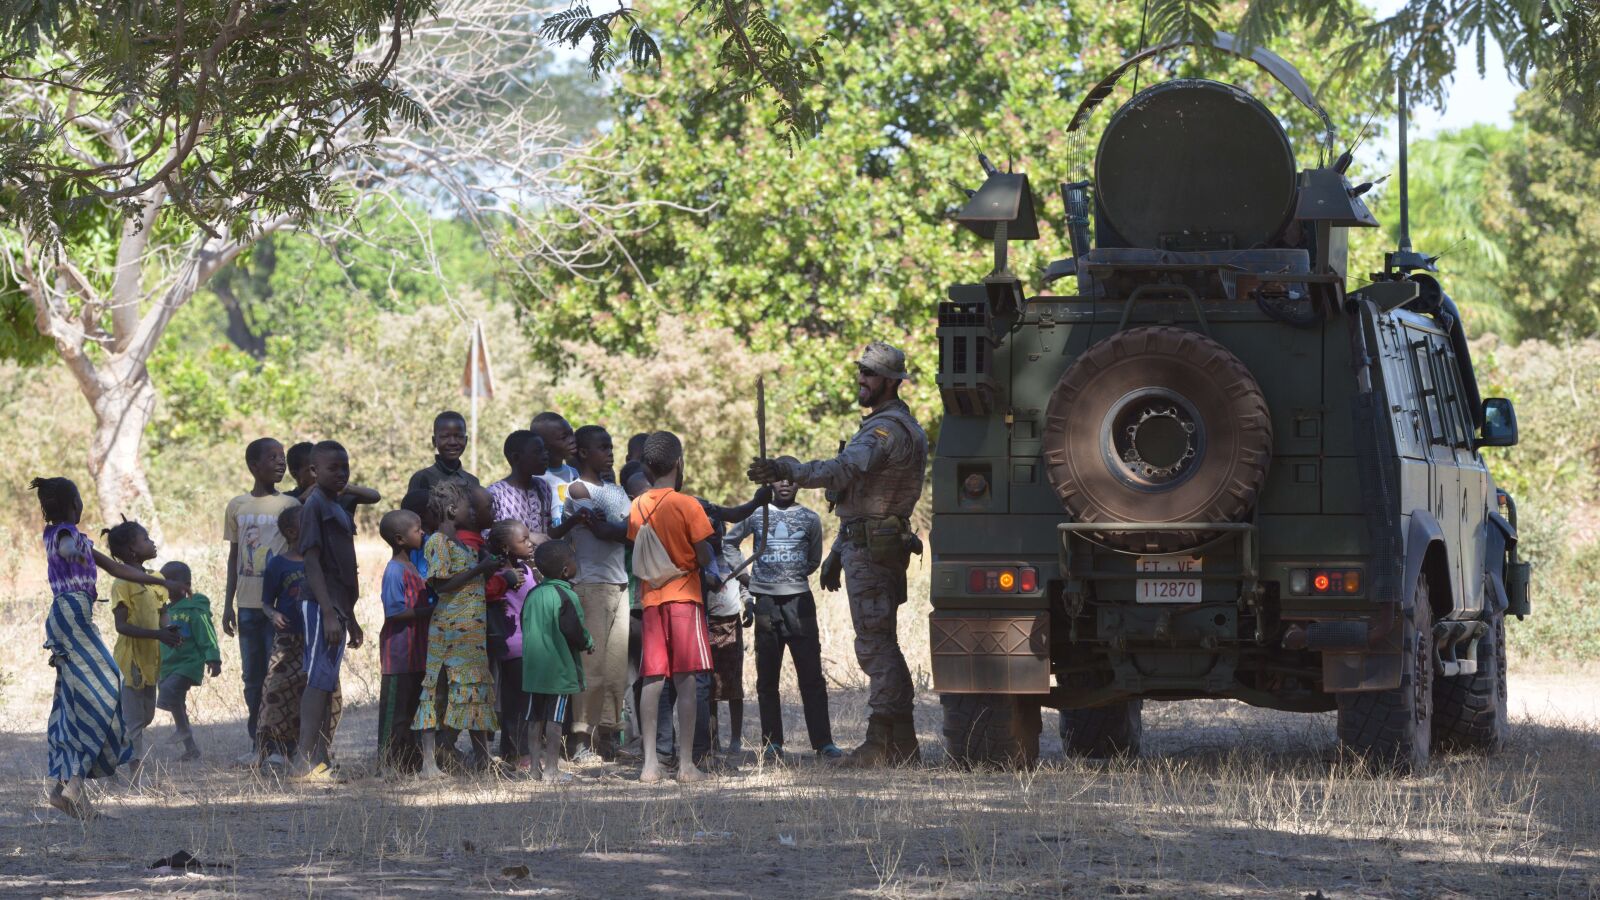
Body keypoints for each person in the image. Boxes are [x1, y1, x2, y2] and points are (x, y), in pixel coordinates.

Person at [747, 342, 928, 767]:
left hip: (874, 549)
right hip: (869, 543)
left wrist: (788, 470)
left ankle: (881, 743)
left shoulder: (886, 430)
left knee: (875, 646)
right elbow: (863, 497)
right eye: (860, 371)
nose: (861, 379)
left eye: (870, 373)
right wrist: (837, 551)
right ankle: (901, 744)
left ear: (891, 382)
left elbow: (843, 470)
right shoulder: (896, 425)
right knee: (881, 642)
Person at [31, 478, 176, 819]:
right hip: (72, 615)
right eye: (80, 499)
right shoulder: (64, 533)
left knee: (75, 700)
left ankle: (68, 788)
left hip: (72, 616)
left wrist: (159, 580)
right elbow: (67, 545)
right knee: (107, 687)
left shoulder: (75, 538)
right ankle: (72, 783)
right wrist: (72, 548)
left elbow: (116, 568)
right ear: (73, 505)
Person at [726, 479, 839, 760]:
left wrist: (791, 577)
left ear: (799, 483)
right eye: (779, 478)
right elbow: (729, 543)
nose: (785, 483)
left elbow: (813, 560)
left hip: (799, 603)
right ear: (771, 483)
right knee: (767, 676)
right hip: (766, 603)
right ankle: (772, 743)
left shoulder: (810, 519)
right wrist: (746, 577)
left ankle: (823, 743)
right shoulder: (757, 514)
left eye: (791, 478)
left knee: (811, 676)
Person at [628, 431, 716, 784]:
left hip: (651, 600)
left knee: (652, 679)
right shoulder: (688, 504)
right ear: (679, 462)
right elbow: (704, 554)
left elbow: (639, 544)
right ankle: (686, 764)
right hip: (684, 597)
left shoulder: (637, 505)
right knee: (686, 681)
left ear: (647, 468)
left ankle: (649, 764)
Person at [414, 481, 505, 779]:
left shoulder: (463, 545)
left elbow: (468, 581)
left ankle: (483, 758)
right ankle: (429, 764)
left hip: (471, 633)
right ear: (453, 510)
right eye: (469, 507)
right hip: (449, 632)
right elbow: (442, 586)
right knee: (437, 693)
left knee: (475, 691)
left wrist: (487, 569)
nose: (474, 512)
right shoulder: (438, 542)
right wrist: (479, 569)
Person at [553, 425, 630, 761]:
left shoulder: (617, 490)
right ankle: (581, 739)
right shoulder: (578, 488)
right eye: (603, 447)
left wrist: (615, 528)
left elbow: (627, 530)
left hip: (619, 584)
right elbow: (605, 530)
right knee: (592, 665)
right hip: (591, 584)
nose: (610, 452)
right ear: (583, 453)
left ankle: (608, 735)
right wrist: (616, 528)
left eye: (611, 446)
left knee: (615, 668)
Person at [222, 437, 300, 750]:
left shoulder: (290, 506)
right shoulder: (237, 506)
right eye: (273, 457)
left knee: (277, 675)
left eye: (282, 457)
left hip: (280, 607)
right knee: (252, 679)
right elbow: (234, 556)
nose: (281, 462)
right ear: (254, 466)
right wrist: (227, 604)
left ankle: (281, 743)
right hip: (247, 606)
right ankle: (258, 743)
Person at [293, 441, 363, 781]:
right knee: (318, 680)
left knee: (326, 681)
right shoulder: (315, 505)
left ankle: (320, 760)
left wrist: (351, 616)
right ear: (313, 471)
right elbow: (312, 562)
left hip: (338, 605)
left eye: (344, 468)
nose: (341, 474)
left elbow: (343, 569)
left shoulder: (337, 505)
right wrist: (329, 612)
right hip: (322, 605)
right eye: (332, 468)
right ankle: (303, 762)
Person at [258, 505, 343, 767]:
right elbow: (266, 602)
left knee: (320, 691)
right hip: (288, 640)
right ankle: (274, 748)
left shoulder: (321, 563)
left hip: (315, 637)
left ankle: (312, 749)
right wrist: (273, 614)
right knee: (277, 690)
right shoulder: (278, 564)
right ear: (293, 532)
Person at [104, 519, 180, 779]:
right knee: (135, 721)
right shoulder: (121, 584)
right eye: (145, 539)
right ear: (131, 550)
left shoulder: (157, 579)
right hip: (131, 661)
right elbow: (121, 626)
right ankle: (134, 776)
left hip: (151, 661)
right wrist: (158, 634)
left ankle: (110, 756)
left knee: (146, 716)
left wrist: (169, 630)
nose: (152, 542)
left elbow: (163, 612)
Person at [520, 540, 592, 784]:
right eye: (574, 560)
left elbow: (524, 623)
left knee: (534, 719)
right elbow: (574, 631)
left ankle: (534, 769)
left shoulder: (532, 594)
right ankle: (551, 770)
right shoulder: (566, 595)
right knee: (555, 720)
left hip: (533, 671)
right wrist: (588, 642)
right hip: (558, 672)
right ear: (565, 570)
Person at [377, 509, 432, 774]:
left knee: (412, 710)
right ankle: (387, 765)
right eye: (417, 530)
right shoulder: (394, 571)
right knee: (395, 713)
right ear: (400, 539)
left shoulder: (412, 567)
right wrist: (429, 611)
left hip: (417, 653)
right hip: (399, 654)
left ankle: (409, 763)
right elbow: (395, 611)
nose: (422, 533)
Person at [155, 561, 222, 763]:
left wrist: (213, 658)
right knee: (177, 704)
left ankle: (183, 729)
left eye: (170, 581)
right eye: (162, 582)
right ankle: (191, 748)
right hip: (168, 665)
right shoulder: (164, 610)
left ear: (186, 585)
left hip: (188, 663)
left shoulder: (194, 608)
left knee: (169, 691)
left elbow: (207, 633)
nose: (165, 585)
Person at [487, 519, 538, 770]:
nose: (530, 544)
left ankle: (513, 750)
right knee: (517, 703)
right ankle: (518, 753)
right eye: (523, 540)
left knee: (523, 700)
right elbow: (487, 594)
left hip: (530, 642)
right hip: (515, 645)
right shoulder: (501, 576)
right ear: (506, 547)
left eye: (529, 538)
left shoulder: (525, 569)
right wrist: (504, 582)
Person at [487, 430, 553, 544]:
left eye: (545, 450)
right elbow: (488, 534)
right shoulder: (495, 493)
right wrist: (528, 536)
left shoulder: (543, 487)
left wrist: (573, 520)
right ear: (516, 457)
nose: (545, 456)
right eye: (538, 452)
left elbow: (547, 531)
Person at [285, 441, 380, 520]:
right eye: (311, 470)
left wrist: (346, 488)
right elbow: (282, 513)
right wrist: (301, 499)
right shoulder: (289, 498)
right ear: (295, 474)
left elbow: (374, 497)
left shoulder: (338, 494)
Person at [407, 411, 481, 496]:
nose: (452, 442)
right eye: (445, 437)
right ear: (434, 441)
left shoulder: (473, 482)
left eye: (459, 436)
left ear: (466, 440)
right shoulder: (422, 479)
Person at [531, 412, 578, 526]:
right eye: (564, 437)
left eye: (571, 434)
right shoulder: (534, 480)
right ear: (544, 445)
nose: (572, 440)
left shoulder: (574, 473)